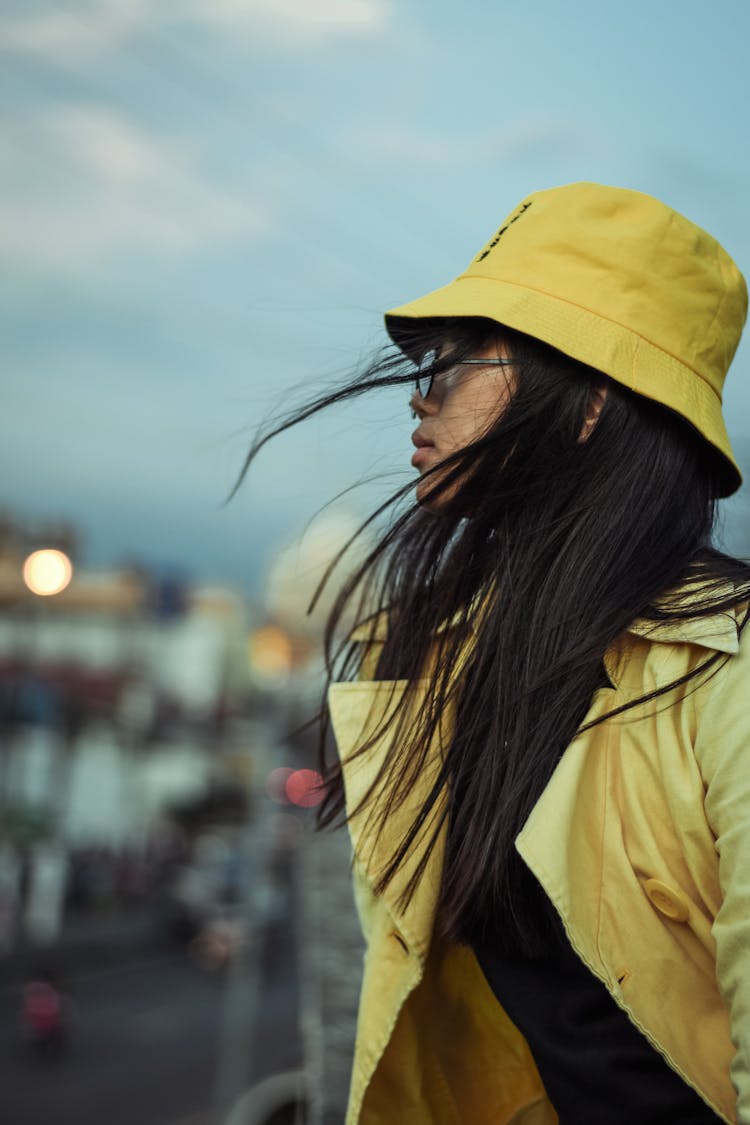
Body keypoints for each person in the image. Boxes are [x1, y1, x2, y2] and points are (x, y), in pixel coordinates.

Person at [240, 183, 750, 1123]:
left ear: (590, 403)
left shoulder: (731, 677)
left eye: (455, 366)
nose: (419, 405)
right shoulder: (445, 660)